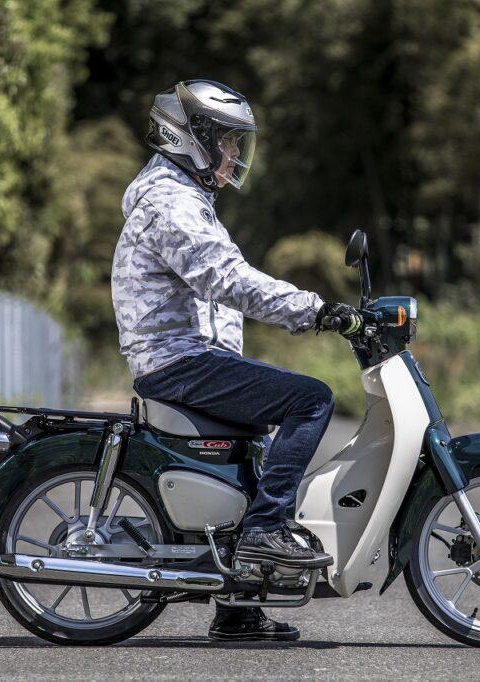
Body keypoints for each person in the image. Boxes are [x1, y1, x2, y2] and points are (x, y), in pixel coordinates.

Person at [111, 80, 362, 641]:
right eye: (225, 141)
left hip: (190, 357)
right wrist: (316, 311)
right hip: (178, 361)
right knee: (311, 399)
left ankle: (237, 608)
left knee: (254, 450)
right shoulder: (171, 205)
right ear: (192, 140)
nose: (233, 154)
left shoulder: (183, 197)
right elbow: (228, 279)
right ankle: (265, 531)